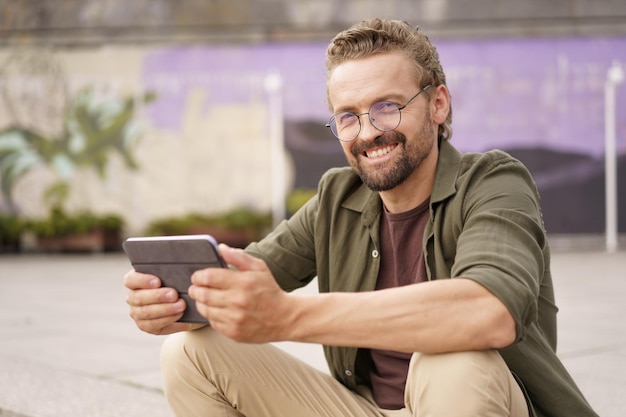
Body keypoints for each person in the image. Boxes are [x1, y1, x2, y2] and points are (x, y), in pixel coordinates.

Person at [124, 18, 598, 417]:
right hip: (366, 408)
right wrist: (176, 301)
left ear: (437, 104)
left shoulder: (494, 181)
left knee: (450, 363)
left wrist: (288, 317)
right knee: (192, 352)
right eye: (348, 116)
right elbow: (241, 282)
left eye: (387, 108)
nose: (368, 132)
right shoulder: (338, 195)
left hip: (477, 401)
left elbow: (488, 312)